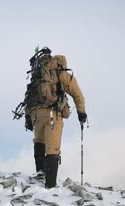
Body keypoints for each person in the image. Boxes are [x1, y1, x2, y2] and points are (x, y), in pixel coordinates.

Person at [24, 48, 87, 188]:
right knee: (52, 149)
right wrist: (81, 113)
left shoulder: (38, 73)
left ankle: (39, 175)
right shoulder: (62, 74)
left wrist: (27, 117)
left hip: (35, 115)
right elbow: (77, 94)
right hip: (52, 115)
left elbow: (29, 95)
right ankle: (50, 187)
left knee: (39, 142)